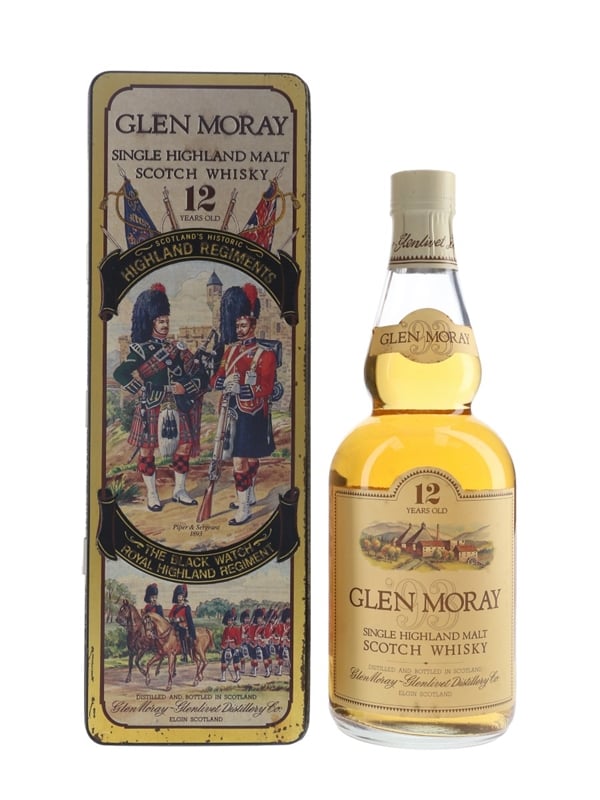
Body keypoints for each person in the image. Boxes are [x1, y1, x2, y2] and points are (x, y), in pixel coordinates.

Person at [114, 282, 208, 511]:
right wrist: (140, 390)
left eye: (167, 320)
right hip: (152, 404)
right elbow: (120, 373)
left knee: (185, 446)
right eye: (160, 321)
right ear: (151, 322)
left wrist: (185, 387)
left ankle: (180, 490)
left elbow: (200, 375)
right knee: (147, 450)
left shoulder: (177, 348)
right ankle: (153, 494)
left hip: (177, 404)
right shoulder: (141, 350)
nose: (165, 325)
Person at [211, 284, 277, 525]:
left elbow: (266, 388)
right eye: (236, 325)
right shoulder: (229, 352)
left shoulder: (265, 354)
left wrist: (242, 388)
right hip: (230, 411)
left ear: (253, 324)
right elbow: (216, 378)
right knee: (238, 460)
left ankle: (245, 503)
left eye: (243, 325)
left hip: (253, 412)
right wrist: (223, 382)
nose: (239, 330)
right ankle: (245, 502)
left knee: (249, 459)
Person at [168, 584, 196, 660]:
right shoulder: (175, 607)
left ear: (183, 597)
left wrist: (180, 619)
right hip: (175, 624)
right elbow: (170, 615)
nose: (179, 598)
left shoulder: (186, 607)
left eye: (180, 596)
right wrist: (172, 619)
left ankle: (184, 654)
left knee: (182, 633)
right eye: (178, 596)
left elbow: (189, 619)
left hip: (183, 625)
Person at [219, 607, 242, 682]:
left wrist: (237, 648)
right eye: (228, 620)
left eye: (231, 620)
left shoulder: (236, 629)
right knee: (223, 663)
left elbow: (239, 640)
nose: (229, 622)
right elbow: (223, 639)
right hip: (226, 647)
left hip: (234, 647)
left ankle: (238, 676)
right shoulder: (225, 629)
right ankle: (223, 677)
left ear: (233, 621)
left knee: (235, 664)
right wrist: (222, 648)